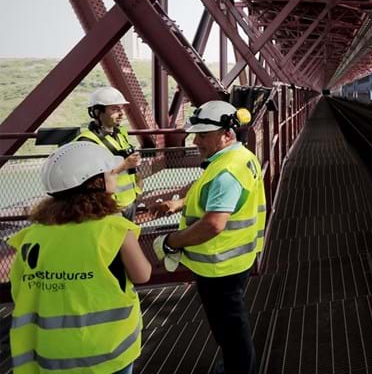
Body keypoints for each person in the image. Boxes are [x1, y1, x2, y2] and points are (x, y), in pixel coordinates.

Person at [8, 142, 152, 374]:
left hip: (53, 352)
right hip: (110, 350)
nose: (115, 176)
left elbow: (20, 289)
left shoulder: (31, 236)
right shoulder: (115, 229)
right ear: (96, 183)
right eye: (111, 173)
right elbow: (142, 275)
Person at [151, 100, 263, 374]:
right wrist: (179, 203)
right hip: (233, 258)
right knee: (231, 325)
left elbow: (213, 225)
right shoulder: (237, 157)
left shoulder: (227, 172)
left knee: (231, 328)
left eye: (202, 135)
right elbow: (207, 182)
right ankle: (235, 364)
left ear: (226, 134)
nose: (195, 140)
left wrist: (170, 242)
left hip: (219, 265)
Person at [76, 87, 142, 220]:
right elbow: (91, 180)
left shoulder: (121, 133)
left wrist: (138, 189)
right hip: (110, 208)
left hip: (130, 202)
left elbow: (131, 167)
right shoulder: (86, 141)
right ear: (97, 112)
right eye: (115, 109)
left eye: (121, 109)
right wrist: (125, 165)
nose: (121, 114)